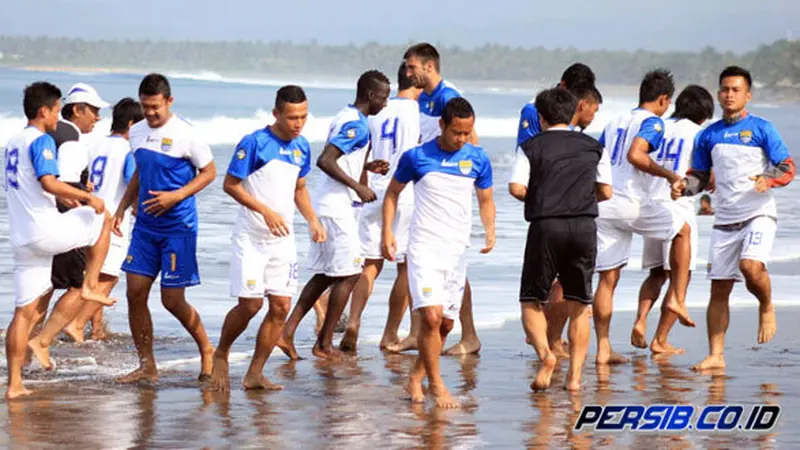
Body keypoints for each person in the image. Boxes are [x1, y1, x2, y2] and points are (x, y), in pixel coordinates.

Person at [672, 66, 794, 371]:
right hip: (725, 219)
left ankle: (766, 304)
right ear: (718, 94)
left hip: (758, 213)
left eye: (736, 90)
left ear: (747, 95)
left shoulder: (762, 128)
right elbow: (700, 176)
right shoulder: (707, 135)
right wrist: (684, 186)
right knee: (719, 289)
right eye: (725, 89)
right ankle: (716, 355)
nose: (729, 95)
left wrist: (769, 179)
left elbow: (787, 166)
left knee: (750, 267)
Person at [3, 82, 114, 399]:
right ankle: (90, 284)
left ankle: (14, 384)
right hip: (46, 231)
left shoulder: (11, 142)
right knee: (102, 218)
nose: (57, 116)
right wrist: (87, 197)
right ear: (44, 111)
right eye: (55, 110)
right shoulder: (41, 142)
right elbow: (50, 183)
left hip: (22, 239)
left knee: (23, 313)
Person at [383, 97, 495, 408]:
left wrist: (490, 230)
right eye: (457, 132)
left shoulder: (477, 158)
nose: (462, 139)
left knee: (446, 324)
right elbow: (392, 194)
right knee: (430, 318)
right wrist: (387, 233)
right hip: (423, 249)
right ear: (442, 125)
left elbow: (486, 199)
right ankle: (436, 383)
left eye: (467, 133)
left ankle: (416, 377)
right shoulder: (416, 157)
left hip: (456, 251)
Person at [278, 70, 390, 361]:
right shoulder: (358, 125)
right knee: (351, 271)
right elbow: (325, 160)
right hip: (336, 207)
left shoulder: (346, 116)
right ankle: (324, 344)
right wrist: (357, 186)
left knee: (325, 275)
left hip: (330, 204)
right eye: (383, 97)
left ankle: (286, 333)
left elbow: (345, 159)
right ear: (370, 95)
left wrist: (368, 168)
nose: (386, 103)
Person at [113, 74, 217, 383]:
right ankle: (147, 365)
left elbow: (210, 172)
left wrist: (177, 195)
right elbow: (140, 173)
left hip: (178, 227)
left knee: (171, 300)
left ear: (169, 102)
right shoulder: (137, 132)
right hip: (145, 227)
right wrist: (120, 209)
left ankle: (207, 349)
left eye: (155, 107)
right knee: (134, 293)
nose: (150, 113)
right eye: (145, 106)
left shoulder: (187, 134)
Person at [508, 87, 612, 391]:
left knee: (531, 298)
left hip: (546, 226)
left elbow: (516, 187)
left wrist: (543, 197)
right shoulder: (593, 147)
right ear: (574, 113)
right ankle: (575, 378)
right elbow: (606, 191)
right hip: (583, 226)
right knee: (580, 303)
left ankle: (546, 356)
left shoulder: (531, 146)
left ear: (540, 117)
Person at [594, 69, 695, 365]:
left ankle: (603, 349)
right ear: (663, 99)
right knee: (683, 230)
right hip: (632, 202)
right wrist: (669, 175)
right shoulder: (653, 122)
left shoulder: (613, 121)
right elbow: (636, 156)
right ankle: (677, 296)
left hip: (603, 203)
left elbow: (596, 157)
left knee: (608, 279)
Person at [403, 42, 480, 356]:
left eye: (411, 67)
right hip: (426, 185)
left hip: (448, 190)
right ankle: (416, 332)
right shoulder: (424, 97)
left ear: (429, 67)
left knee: (453, 269)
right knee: (421, 262)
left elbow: (470, 143)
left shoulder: (449, 97)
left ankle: (470, 334)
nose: (407, 73)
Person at [339, 63, 422, 353]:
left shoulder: (373, 111)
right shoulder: (416, 110)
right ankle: (389, 333)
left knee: (370, 265)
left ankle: (354, 320)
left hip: (373, 189)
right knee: (405, 266)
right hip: (404, 192)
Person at [27, 83, 114, 360]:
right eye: (95, 111)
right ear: (77, 110)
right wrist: (86, 200)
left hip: (33, 221)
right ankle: (42, 341)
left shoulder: (50, 133)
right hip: (60, 223)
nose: (98, 118)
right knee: (77, 286)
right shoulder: (73, 139)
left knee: (47, 284)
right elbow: (60, 184)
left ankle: (27, 340)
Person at [630, 85, 715, 354]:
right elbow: (706, 175)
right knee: (682, 274)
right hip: (678, 207)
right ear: (704, 113)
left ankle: (641, 321)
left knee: (656, 272)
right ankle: (660, 339)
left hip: (650, 205)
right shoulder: (700, 133)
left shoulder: (658, 126)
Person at [65, 98, 145, 343]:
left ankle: (96, 330)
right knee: (108, 278)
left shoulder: (94, 144)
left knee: (93, 274)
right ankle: (76, 325)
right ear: (132, 124)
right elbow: (134, 184)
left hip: (85, 217)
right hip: (111, 223)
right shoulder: (129, 150)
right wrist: (139, 210)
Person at [516, 63, 596, 148]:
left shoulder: (580, 109)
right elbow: (525, 151)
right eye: (576, 93)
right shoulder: (534, 110)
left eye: (584, 94)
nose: (579, 98)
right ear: (563, 85)